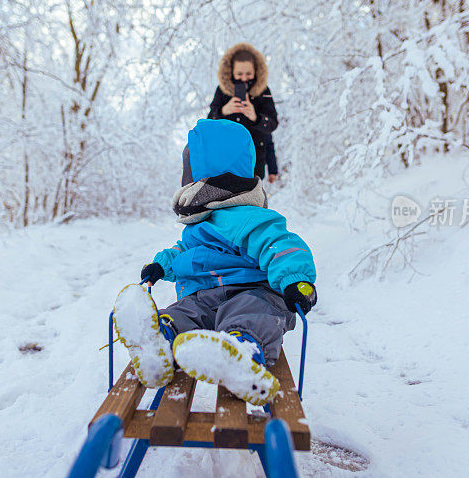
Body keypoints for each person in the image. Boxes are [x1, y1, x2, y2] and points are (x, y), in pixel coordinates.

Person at [112, 119, 316, 406]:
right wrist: (162, 265)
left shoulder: (248, 216)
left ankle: (241, 353)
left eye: (189, 168)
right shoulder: (201, 222)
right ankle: (160, 339)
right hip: (206, 297)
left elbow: (280, 245)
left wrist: (296, 279)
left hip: (252, 291)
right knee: (186, 311)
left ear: (209, 172)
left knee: (251, 313)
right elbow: (186, 251)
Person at [207, 43, 279, 180]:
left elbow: (272, 125)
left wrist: (255, 118)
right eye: (239, 74)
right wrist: (223, 111)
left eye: (248, 74)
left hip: (254, 163)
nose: (244, 78)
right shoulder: (222, 91)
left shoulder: (264, 92)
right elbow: (209, 124)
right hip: (225, 161)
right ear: (231, 72)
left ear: (256, 71)